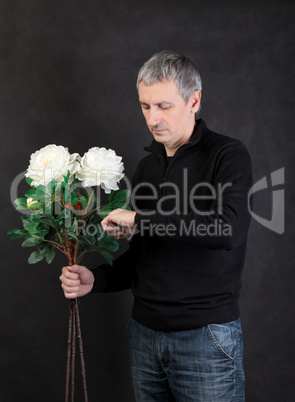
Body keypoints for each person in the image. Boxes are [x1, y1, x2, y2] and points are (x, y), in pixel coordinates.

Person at [60, 50, 252, 401]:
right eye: (145, 106)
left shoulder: (227, 155)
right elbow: (144, 254)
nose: (153, 118)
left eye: (164, 106)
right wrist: (98, 279)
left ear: (194, 100)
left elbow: (228, 229)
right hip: (144, 336)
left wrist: (141, 219)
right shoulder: (147, 167)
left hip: (205, 339)